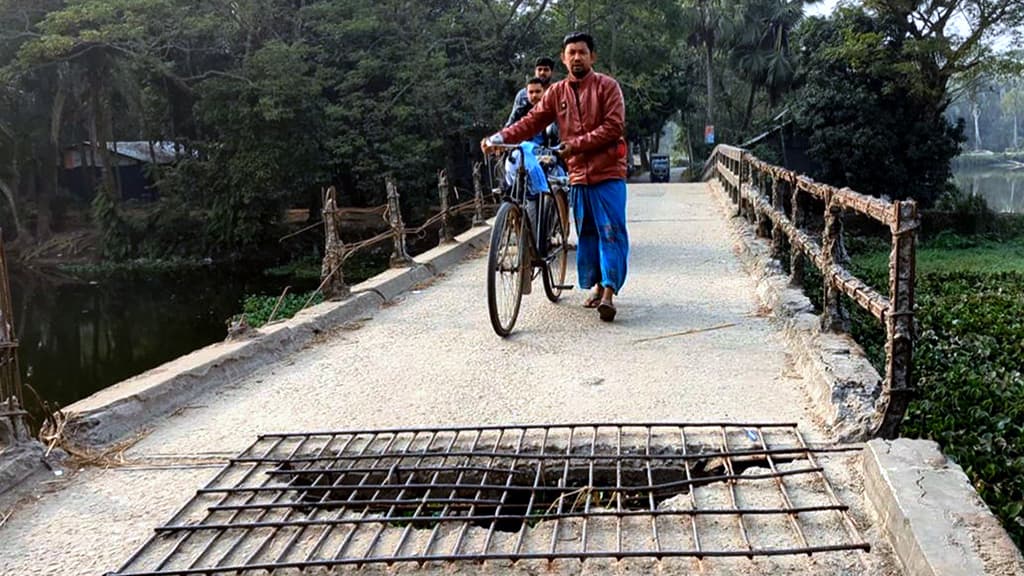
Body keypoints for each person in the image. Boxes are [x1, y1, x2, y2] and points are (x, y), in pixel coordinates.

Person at [482, 32, 629, 322]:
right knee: (587, 233)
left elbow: (614, 126)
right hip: (577, 174)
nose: (577, 57)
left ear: (592, 57)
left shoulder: (607, 87)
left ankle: (610, 292)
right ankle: (598, 286)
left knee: (610, 230)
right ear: (564, 58)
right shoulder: (557, 92)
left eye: (582, 52)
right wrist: (498, 138)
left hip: (607, 171)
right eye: (571, 52)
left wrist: (576, 145)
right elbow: (531, 121)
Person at [506, 57, 555, 127]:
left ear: (551, 72)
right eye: (539, 69)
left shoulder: (556, 92)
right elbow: (512, 121)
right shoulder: (522, 95)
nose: (542, 72)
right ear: (535, 71)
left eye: (546, 70)